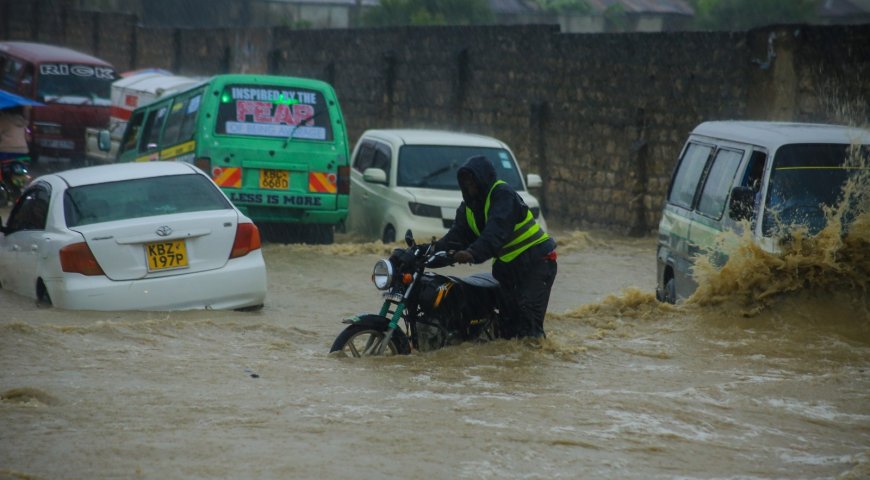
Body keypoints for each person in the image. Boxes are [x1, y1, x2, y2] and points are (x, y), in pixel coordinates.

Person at [435, 155, 557, 339]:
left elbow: (495, 232)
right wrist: (423, 252)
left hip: (536, 263)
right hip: (508, 268)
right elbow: (455, 238)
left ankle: (532, 357)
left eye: (473, 180)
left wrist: (471, 253)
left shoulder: (503, 195)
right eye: (465, 182)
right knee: (508, 327)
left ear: (483, 178)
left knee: (527, 326)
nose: (470, 185)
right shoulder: (468, 207)